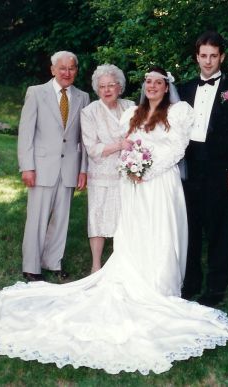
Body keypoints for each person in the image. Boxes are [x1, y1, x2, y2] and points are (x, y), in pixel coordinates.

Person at [0, 67, 228, 375]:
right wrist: (133, 168)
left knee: (161, 233)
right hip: (135, 188)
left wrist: (145, 171)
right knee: (135, 233)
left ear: (167, 88)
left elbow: (177, 149)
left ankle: (161, 284)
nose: (152, 86)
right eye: (148, 82)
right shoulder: (133, 114)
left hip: (161, 185)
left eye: (158, 82)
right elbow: (127, 147)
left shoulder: (178, 113)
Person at [178, 31, 228, 306]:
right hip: (191, 166)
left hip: (220, 168)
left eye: (213, 56)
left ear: (222, 57)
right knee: (191, 228)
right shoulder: (185, 90)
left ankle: (216, 288)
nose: (208, 61)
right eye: (203, 56)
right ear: (197, 57)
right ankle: (191, 282)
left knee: (219, 228)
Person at [17, 51, 90, 282]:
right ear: (52, 70)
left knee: (62, 218)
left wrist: (83, 169)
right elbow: (25, 133)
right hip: (41, 167)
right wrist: (27, 167)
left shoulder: (83, 97)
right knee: (37, 218)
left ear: (76, 70)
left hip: (69, 167)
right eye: (62, 68)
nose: (67, 73)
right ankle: (31, 267)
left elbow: (84, 139)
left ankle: (53, 261)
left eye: (72, 68)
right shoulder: (36, 93)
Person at [81, 64, 134, 273]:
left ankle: (121, 263)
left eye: (111, 85)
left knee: (123, 217)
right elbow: (92, 148)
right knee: (98, 217)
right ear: (97, 89)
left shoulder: (130, 106)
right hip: (101, 173)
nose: (107, 90)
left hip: (127, 173)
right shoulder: (89, 112)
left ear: (119, 87)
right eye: (102, 86)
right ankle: (96, 265)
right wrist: (119, 146)